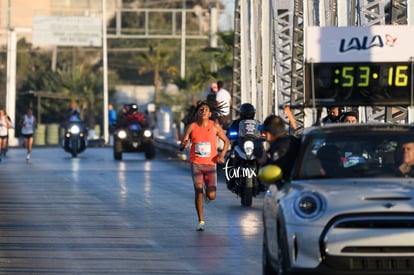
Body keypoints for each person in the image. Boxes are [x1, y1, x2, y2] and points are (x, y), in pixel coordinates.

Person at [179, 101, 230, 231]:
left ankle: (208, 196)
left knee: (212, 196)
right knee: (198, 191)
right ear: (197, 113)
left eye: (206, 109)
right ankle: (201, 220)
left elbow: (226, 141)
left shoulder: (214, 127)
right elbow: (184, 142)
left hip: (210, 164)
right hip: (196, 164)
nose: (203, 111)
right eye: (201, 109)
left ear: (210, 113)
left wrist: (222, 155)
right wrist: (184, 145)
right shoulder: (192, 126)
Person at [255, 115, 301, 186]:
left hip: (289, 189)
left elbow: (279, 172)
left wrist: (265, 162)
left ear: (269, 134)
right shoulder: (292, 141)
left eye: (265, 133)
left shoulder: (280, 147)